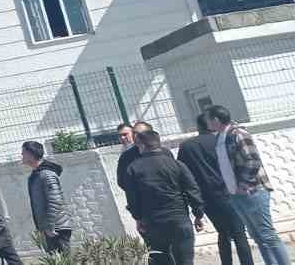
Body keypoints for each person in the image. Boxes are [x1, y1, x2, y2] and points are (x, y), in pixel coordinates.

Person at [207, 105, 291, 265]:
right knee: (257, 236)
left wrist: (243, 184)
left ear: (216, 120)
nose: (207, 123)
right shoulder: (220, 137)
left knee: (267, 235)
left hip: (253, 191)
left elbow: (253, 160)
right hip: (235, 194)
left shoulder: (238, 134)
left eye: (208, 119)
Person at [176, 113, 254, 265]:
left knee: (223, 232)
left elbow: (183, 174)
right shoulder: (221, 141)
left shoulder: (187, 146)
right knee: (239, 233)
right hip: (229, 193)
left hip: (207, 198)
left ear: (198, 126)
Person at [123, 129, 204, 265]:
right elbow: (192, 189)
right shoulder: (176, 164)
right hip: (179, 219)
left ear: (141, 145)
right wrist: (198, 214)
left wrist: (138, 218)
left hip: (153, 223)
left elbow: (132, 198)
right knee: (185, 261)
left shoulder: (133, 168)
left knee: (160, 261)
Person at [21, 141, 74, 253]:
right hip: (49, 229)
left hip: (56, 229)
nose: (21, 155)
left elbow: (55, 201)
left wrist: (50, 226)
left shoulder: (46, 174)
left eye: (23, 153)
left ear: (31, 154)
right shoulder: (37, 174)